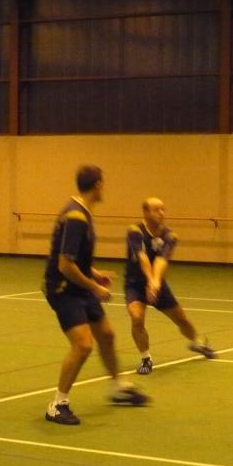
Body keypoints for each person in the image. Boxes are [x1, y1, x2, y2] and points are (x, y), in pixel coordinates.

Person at [43, 165, 148, 425]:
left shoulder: (82, 213)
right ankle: (57, 404)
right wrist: (94, 286)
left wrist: (94, 273)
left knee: (107, 335)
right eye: (104, 183)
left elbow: (75, 258)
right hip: (63, 289)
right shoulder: (76, 216)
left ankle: (119, 387)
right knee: (83, 345)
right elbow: (64, 265)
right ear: (98, 185)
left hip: (79, 286)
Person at [125, 197, 216, 375]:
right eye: (156, 210)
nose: (161, 213)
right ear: (146, 212)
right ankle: (146, 358)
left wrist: (155, 282)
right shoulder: (134, 231)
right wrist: (149, 280)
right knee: (136, 318)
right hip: (135, 284)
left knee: (181, 319)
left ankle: (197, 343)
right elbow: (142, 257)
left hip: (158, 285)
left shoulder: (170, 236)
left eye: (163, 209)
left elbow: (161, 260)